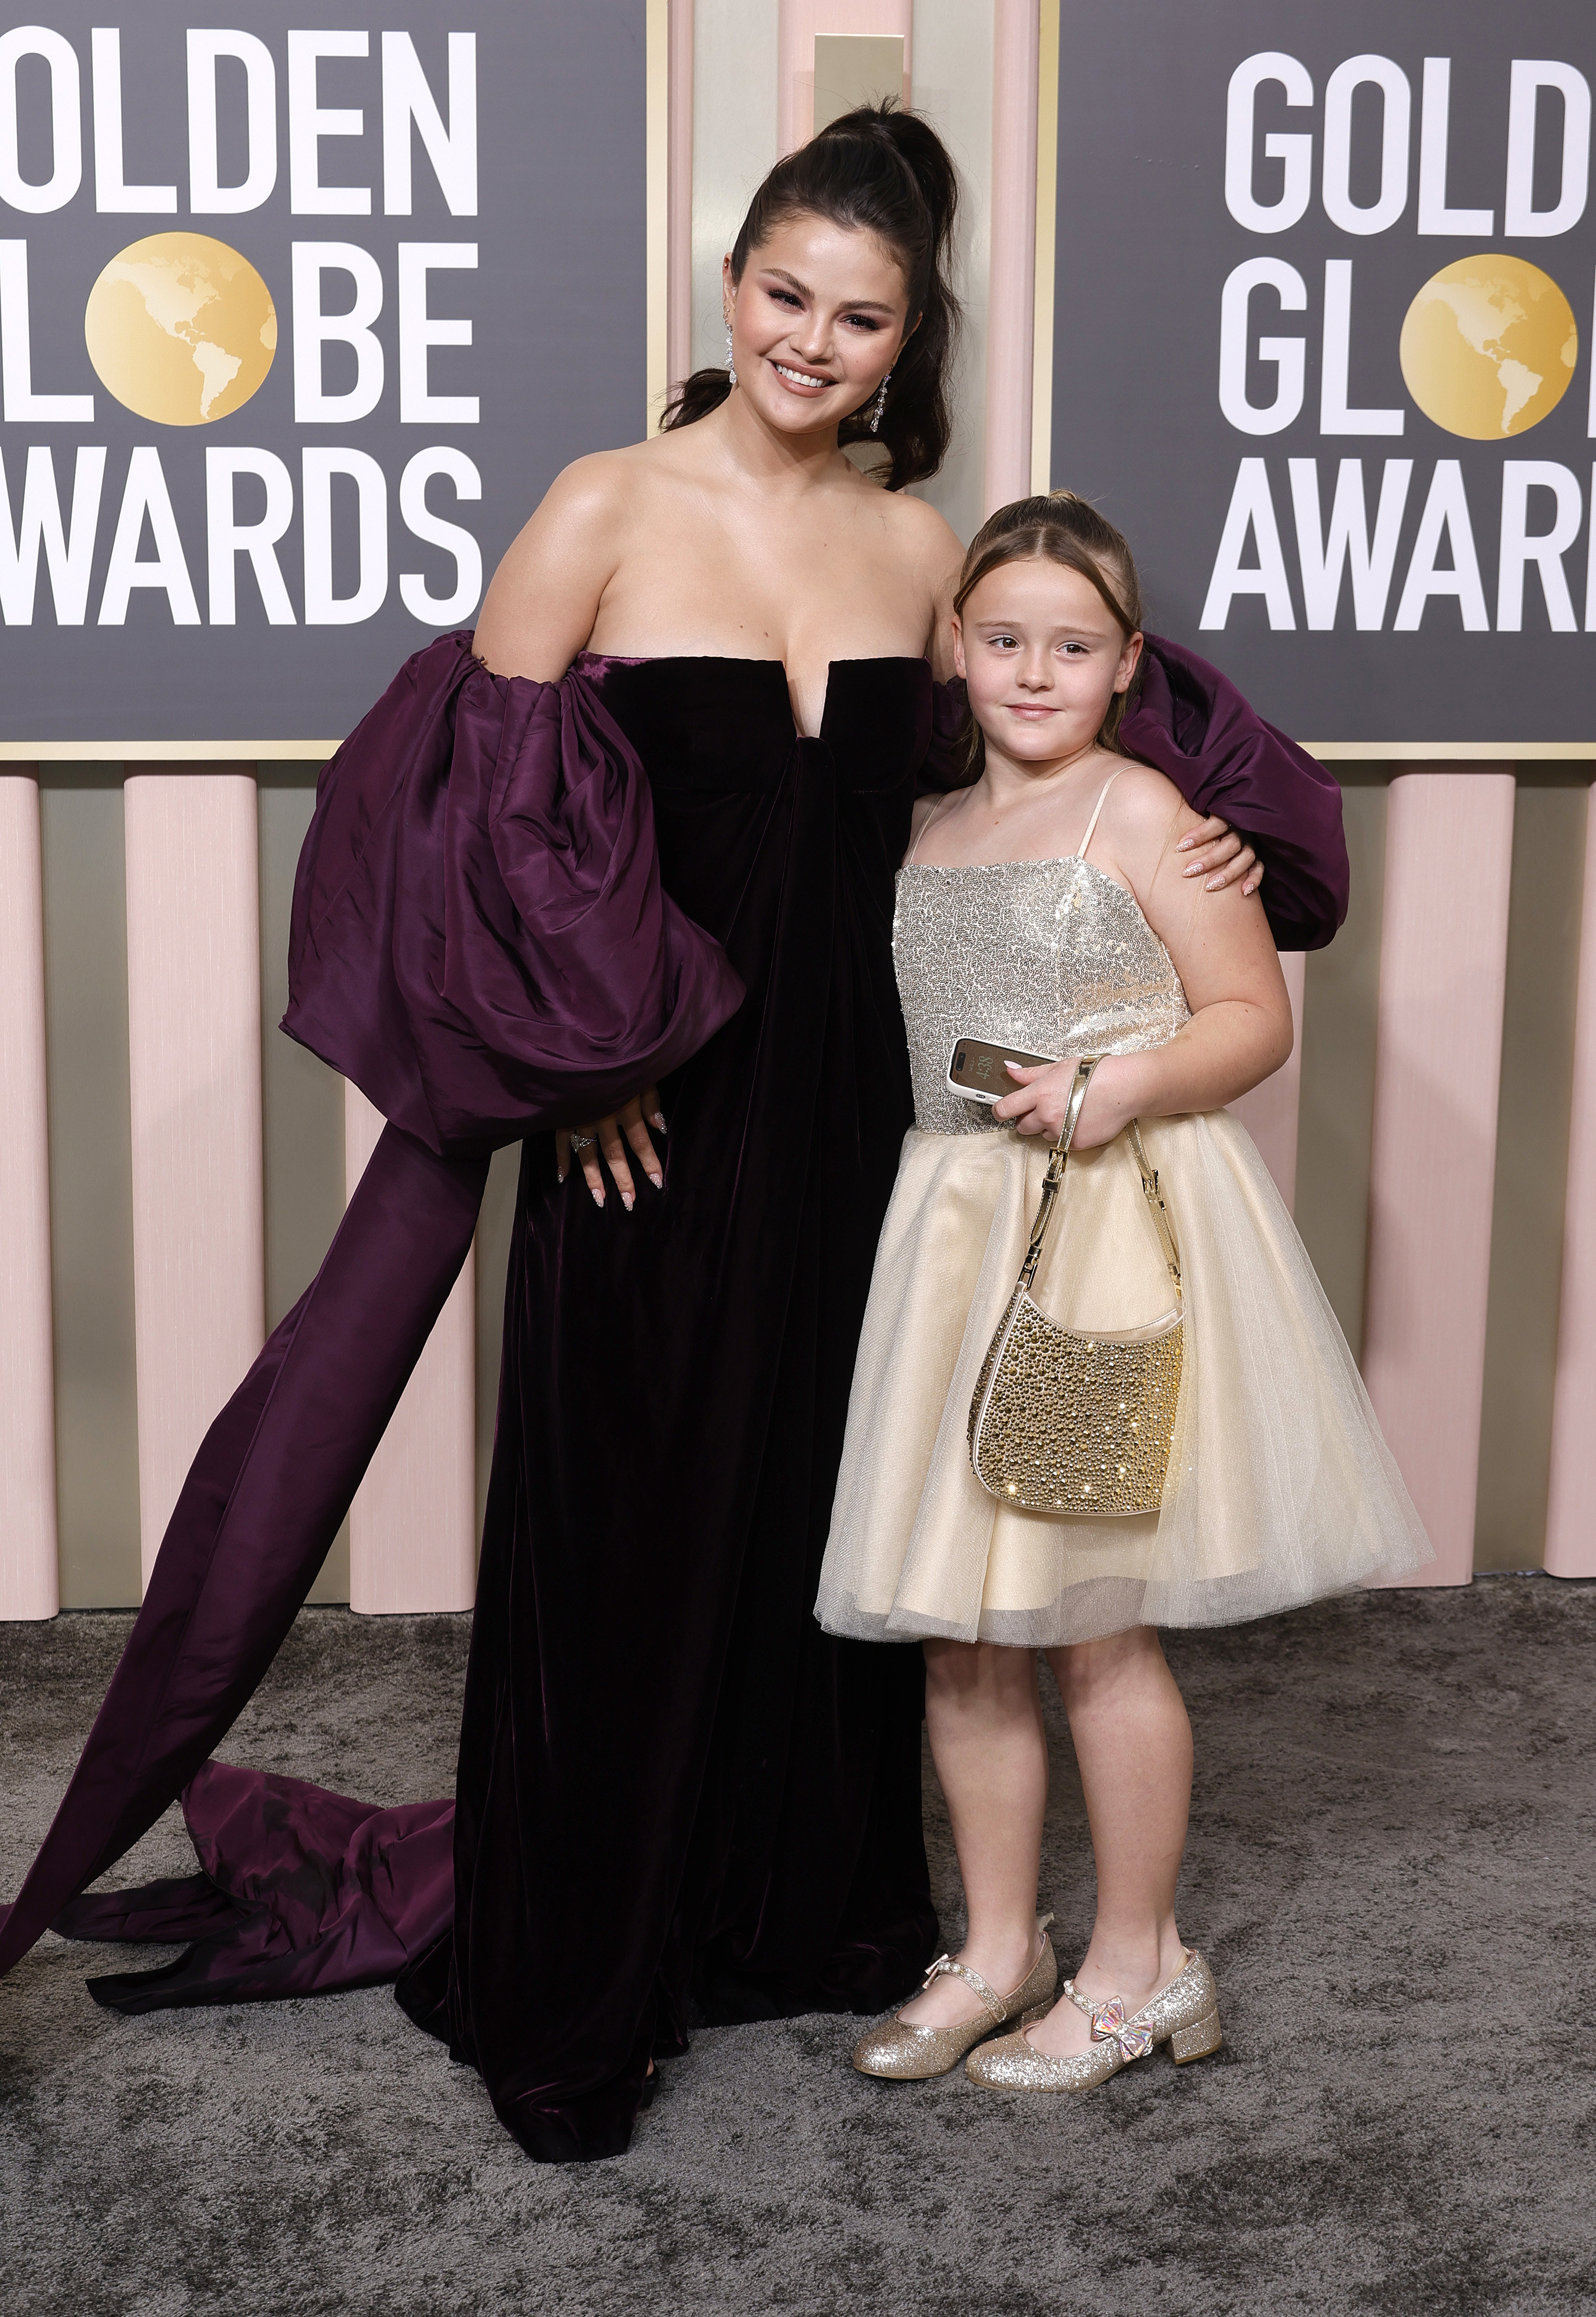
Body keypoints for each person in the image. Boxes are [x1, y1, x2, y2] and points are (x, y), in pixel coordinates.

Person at [0, 111, 1339, 2165]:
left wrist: (1222, 818)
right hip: (647, 1116)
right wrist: (583, 1066)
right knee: (627, 1525)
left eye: (859, 314)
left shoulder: (923, 549)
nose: (812, 338)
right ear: (731, 290)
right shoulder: (598, 511)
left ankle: (804, 1914)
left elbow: (1074, 716)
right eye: (784, 292)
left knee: (838, 1530)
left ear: (907, 340)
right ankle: (589, 1957)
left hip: (871, 1132)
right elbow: (464, 827)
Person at [818, 492, 1429, 2092]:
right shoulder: (926, 824)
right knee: (960, 1633)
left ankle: (1140, 1965)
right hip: (952, 1230)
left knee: (1094, 1626)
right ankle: (1001, 1949)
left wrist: (1113, 1084)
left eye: (1070, 646)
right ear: (955, 647)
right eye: (1002, 638)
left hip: (1100, 1236)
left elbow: (1248, 1017)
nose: (1032, 670)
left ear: (1125, 663)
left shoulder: (1148, 817)